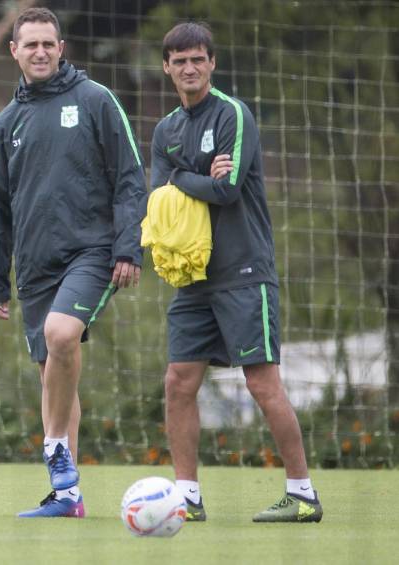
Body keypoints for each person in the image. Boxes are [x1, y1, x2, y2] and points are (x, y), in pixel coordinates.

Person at [150, 22, 322, 523]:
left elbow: (226, 191)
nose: (189, 68)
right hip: (193, 277)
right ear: (167, 67)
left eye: (197, 59)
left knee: (262, 383)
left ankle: (303, 495)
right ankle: (187, 497)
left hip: (245, 271)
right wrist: (194, 177)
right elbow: (158, 195)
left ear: (212, 63)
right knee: (178, 381)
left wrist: (181, 176)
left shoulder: (233, 113)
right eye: (180, 60)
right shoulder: (165, 130)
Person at [0, 7, 145, 518]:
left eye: (47, 43)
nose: (40, 52)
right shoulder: (7, 122)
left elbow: (130, 177)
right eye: (30, 44)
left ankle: (53, 448)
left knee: (61, 334)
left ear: (61, 48)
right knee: (53, 374)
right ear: (14, 51)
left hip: (92, 252)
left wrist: (128, 247)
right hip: (34, 264)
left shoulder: (95, 99)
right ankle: (67, 495)